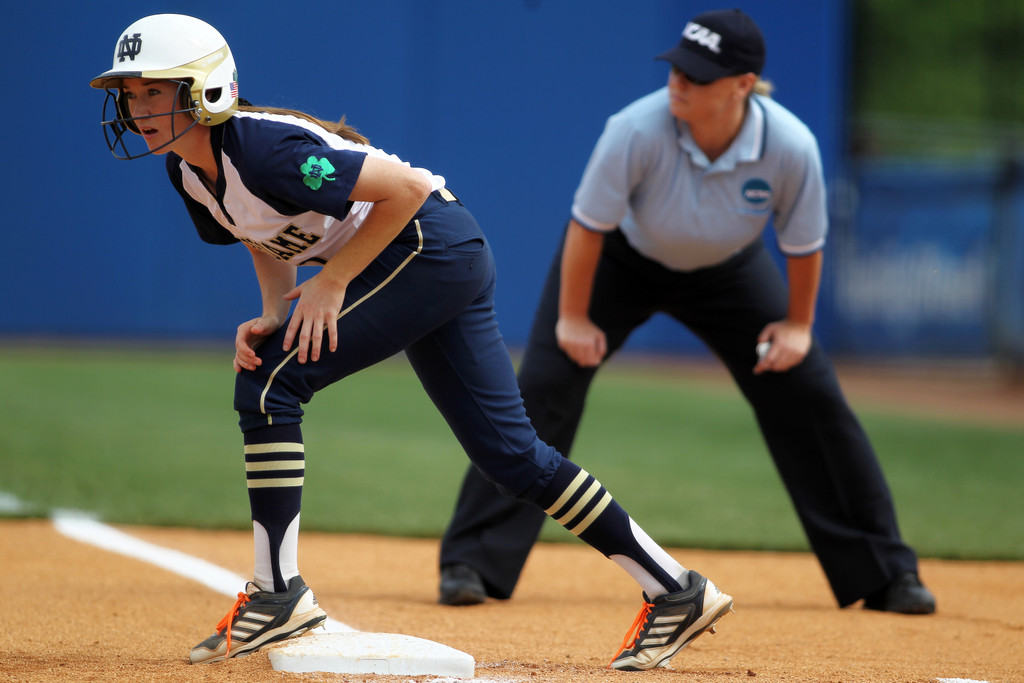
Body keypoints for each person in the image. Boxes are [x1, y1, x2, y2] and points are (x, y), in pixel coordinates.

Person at [90, 13, 735, 671]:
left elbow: (408, 189)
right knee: (511, 456)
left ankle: (277, 592)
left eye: (154, 90)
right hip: (430, 255)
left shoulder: (264, 149)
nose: (138, 107)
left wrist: (334, 281)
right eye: (131, 93)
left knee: (270, 383)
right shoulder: (190, 172)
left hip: (429, 246)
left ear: (205, 90)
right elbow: (263, 232)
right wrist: (271, 308)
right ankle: (676, 589)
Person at [438, 8, 936, 616]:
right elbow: (587, 227)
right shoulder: (637, 128)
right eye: (678, 68)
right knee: (543, 386)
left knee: (808, 392)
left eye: (698, 76)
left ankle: (886, 572)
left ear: (743, 85)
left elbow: (803, 245)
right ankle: (473, 561)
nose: (679, 82)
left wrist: (799, 327)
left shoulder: (789, 145)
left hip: (730, 270)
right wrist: (573, 318)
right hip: (624, 259)